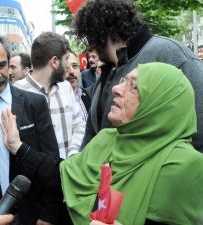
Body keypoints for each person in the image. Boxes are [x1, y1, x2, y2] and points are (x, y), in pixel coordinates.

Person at [60, 62, 203, 225]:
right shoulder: (107, 139)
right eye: (124, 80)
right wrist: (24, 150)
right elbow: (61, 179)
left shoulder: (187, 166)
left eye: (133, 85)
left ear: (158, 104)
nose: (116, 89)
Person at [76, 0, 203, 152]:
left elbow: (199, 127)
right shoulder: (105, 73)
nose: (89, 45)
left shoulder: (169, 54)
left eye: (88, 36)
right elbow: (91, 139)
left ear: (99, 30)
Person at [0, 29, 62, 225]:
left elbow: (51, 165)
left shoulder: (34, 104)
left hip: (28, 215)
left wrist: (48, 214)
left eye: (2, 65)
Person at [14, 32, 85, 159]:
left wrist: (73, 154)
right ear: (55, 61)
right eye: (66, 58)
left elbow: (79, 126)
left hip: (67, 171)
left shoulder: (66, 88)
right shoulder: (17, 92)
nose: (67, 66)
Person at [65, 51, 91, 122]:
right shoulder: (53, 101)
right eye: (65, 67)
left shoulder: (87, 95)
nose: (71, 71)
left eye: (74, 66)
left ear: (80, 70)